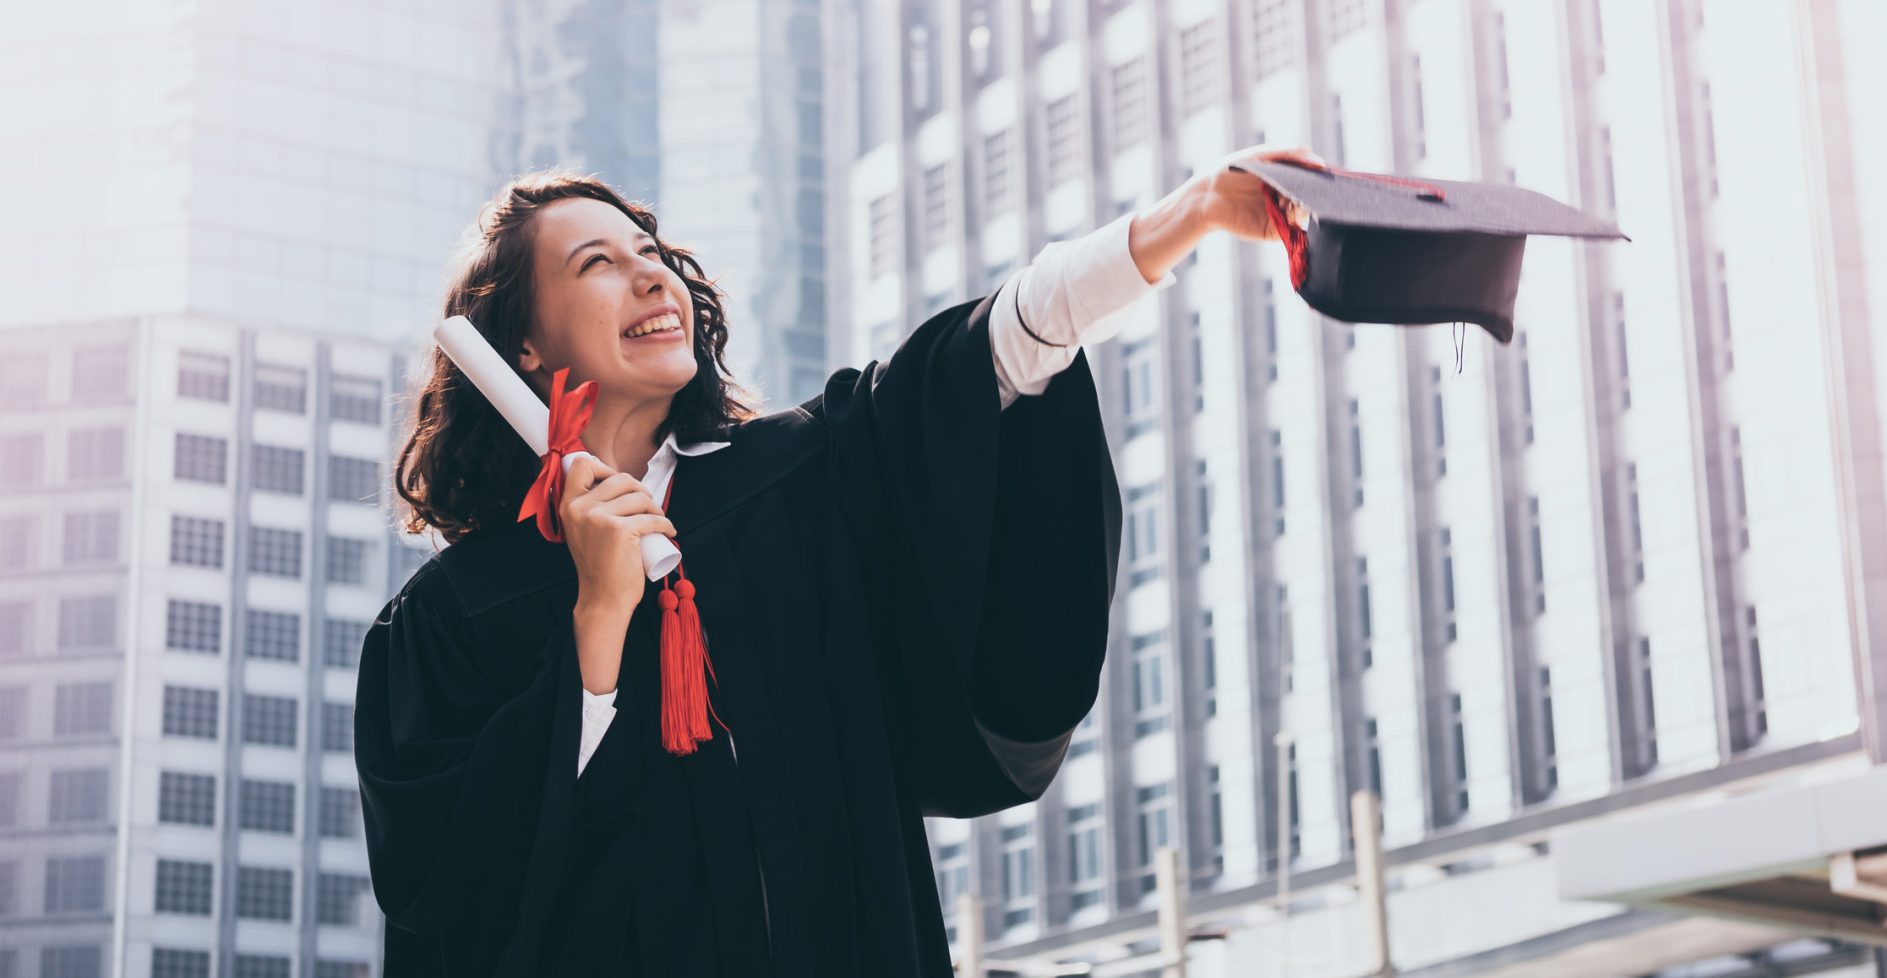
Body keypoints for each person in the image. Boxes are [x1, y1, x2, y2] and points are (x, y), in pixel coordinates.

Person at [357, 143, 1324, 977]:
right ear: (523, 344)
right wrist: (598, 625)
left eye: (654, 256)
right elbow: (459, 898)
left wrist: (1192, 212)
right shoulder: (454, 618)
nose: (654, 279)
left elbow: (993, 352)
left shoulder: (796, 485)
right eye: (598, 264)